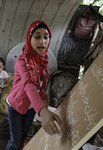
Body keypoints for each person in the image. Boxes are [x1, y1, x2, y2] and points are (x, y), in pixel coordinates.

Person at [5, 20, 62, 150]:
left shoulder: (43, 60)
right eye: (37, 36)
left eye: (46, 37)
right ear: (29, 38)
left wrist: (44, 103)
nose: (42, 41)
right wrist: (42, 111)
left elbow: (39, 86)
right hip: (16, 105)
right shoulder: (22, 61)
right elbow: (29, 85)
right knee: (14, 141)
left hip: (31, 107)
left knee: (24, 135)